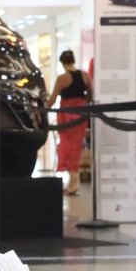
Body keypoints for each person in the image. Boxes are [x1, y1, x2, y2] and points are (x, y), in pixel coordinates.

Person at [50, 50, 92, 195]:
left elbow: (53, 98)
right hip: (80, 115)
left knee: (65, 147)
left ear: (62, 63)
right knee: (76, 148)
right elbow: (90, 94)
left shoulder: (62, 78)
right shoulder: (85, 76)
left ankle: (68, 181)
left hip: (66, 115)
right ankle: (74, 183)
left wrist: (42, 110)